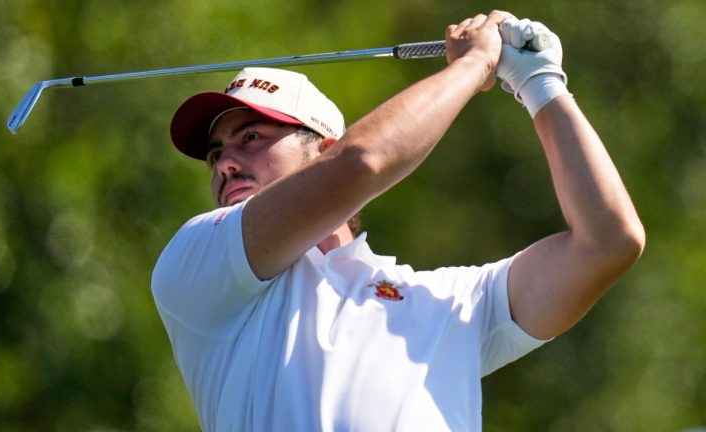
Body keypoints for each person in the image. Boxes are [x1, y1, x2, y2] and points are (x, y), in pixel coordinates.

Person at [151, 10, 645, 431]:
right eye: (215, 153)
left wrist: (539, 84)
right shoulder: (200, 261)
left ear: (322, 148)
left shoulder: (451, 304)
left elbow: (607, 242)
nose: (226, 163)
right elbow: (363, 163)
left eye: (252, 138)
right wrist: (476, 64)